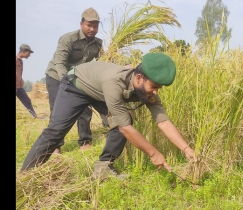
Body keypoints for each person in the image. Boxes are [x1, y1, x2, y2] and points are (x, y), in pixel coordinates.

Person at [21, 53, 197, 179]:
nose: (156, 92)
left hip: (99, 92)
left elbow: (163, 122)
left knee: (122, 121)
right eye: (154, 86)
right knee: (56, 131)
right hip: (76, 85)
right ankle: (26, 175)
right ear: (138, 78)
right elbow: (125, 128)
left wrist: (186, 149)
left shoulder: (147, 90)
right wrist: (153, 153)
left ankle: (103, 169)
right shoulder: (114, 83)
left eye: (160, 88)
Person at [45, 7, 108, 153]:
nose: (92, 29)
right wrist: (66, 83)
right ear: (81, 24)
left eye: (95, 26)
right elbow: (59, 63)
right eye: (89, 25)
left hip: (79, 78)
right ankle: (56, 146)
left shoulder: (98, 44)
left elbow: (102, 62)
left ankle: (85, 141)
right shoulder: (68, 39)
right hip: (57, 76)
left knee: (85, 108)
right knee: (57, 111)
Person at [16, 44, 38, 119]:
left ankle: (34, 116)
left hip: (19, 87)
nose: (29, 55)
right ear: (23, 51)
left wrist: (21, 80)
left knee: (27, 100)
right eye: (28, 53)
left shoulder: (20, 61)